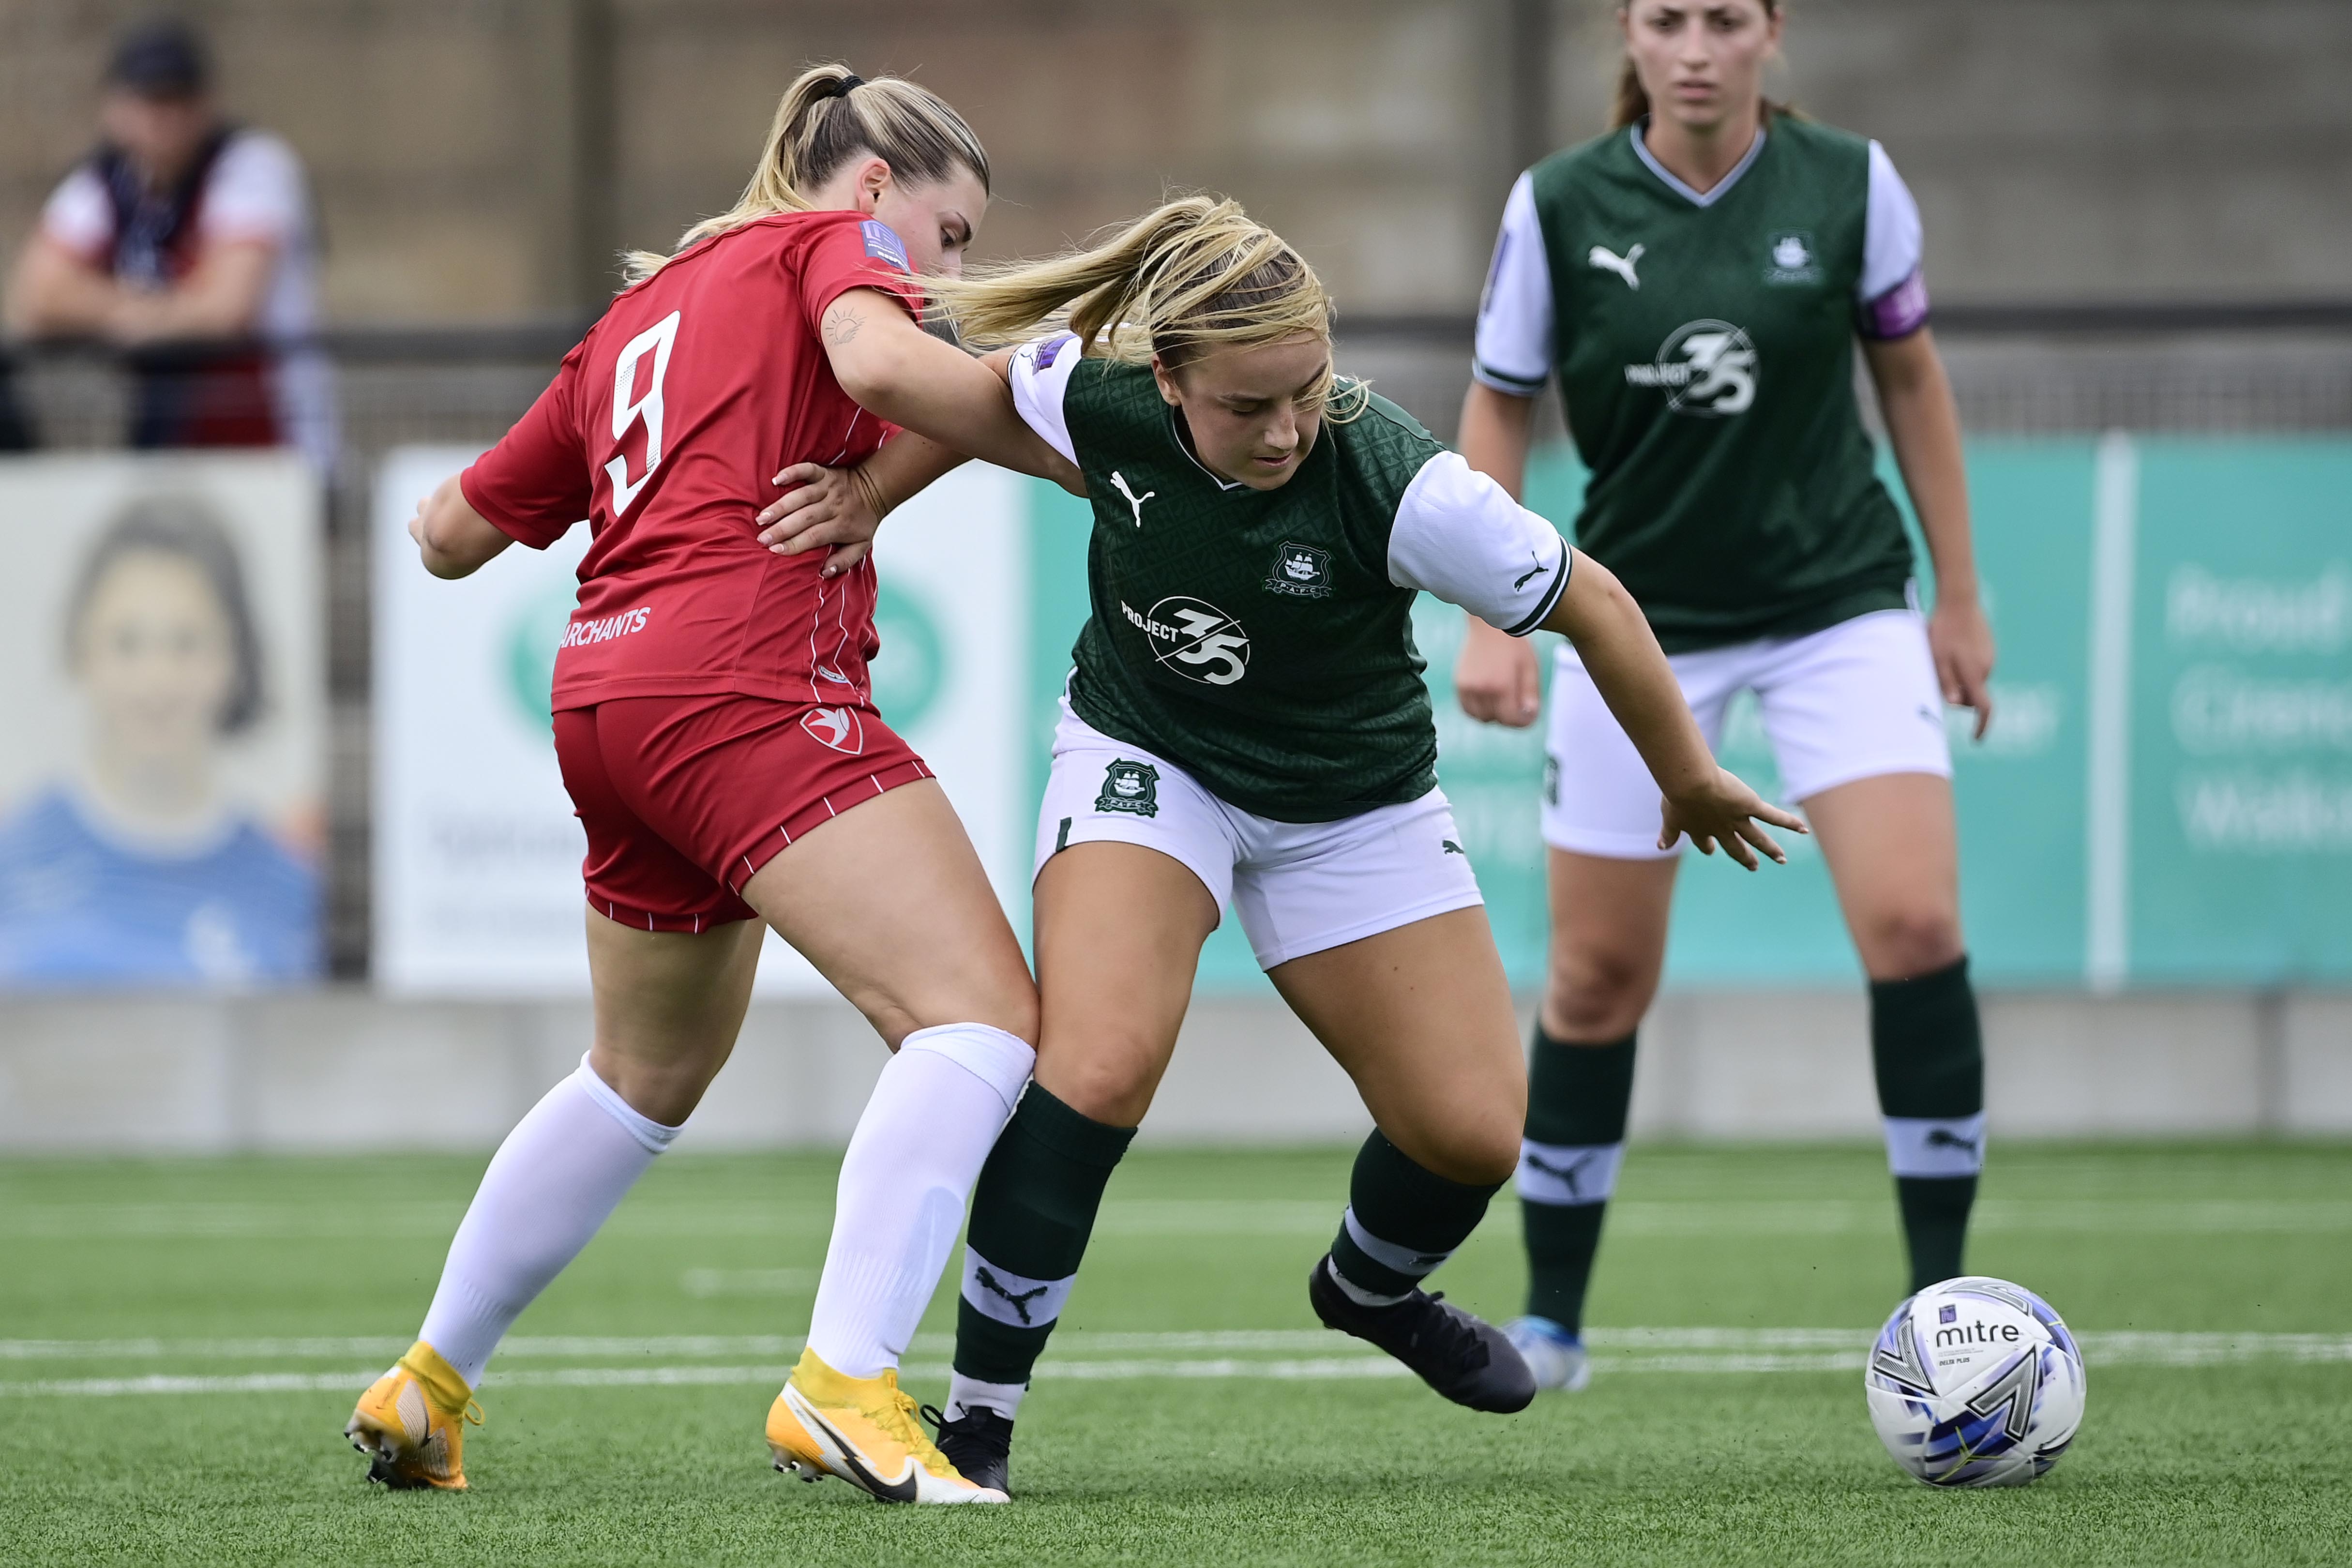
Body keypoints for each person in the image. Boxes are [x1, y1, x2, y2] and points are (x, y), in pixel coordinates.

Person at [754, 194, 1806, 1495]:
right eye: (1246, 405)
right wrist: (864, 491)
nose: (1286, 428)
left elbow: (1592, 603)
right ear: (1169, 376)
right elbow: (971, 406)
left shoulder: (1398, 480)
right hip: (1151, 759)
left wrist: (1689, 776)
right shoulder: (1100, 400)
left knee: (1475, 1135)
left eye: (1305, 390)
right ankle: (977, 1421)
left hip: (1351, 807)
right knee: (1097, 1062)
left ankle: (1369, 1290)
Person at [341, 64, 1078, 1506]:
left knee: (641, 1076)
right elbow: (878, 368)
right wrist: (1081, 448)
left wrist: (867, 487)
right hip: (741, 686)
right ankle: (848, 1386)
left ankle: (427, 1382)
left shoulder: (639, 313)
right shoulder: (836, 246)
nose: (951, 273)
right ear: (873, 190)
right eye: (954, 234)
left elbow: (441, 534)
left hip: (605, 699)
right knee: (980, 1020)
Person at [1451, 0, 1996, 1393]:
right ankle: (1555, 1323)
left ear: (1772, 34)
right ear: (1628, 40)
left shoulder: (1852, 183)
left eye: (1724, 20)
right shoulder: (1556, 203)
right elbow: (1499, 402)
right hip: (1632, 623)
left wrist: (1957, 594)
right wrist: (1493, 614)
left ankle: (1943, 1309)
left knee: (1917, 920)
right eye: (1665, 19)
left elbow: (1913, 380)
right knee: (1594, 976)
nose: (1694, 47)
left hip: (1837, 605)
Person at [0, 495, 320, 986]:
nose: (156, 680)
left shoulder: (291, 891)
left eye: (186, 643)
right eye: (127, 642)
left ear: (235, 659)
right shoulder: (12, 857)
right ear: (80, 649)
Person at [1, 18, 332, 469]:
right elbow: (37, 299)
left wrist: (111, 311)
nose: (164, 118)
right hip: (171, 456)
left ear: (207, 104)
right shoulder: (108, 182)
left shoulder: (253, 165)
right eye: (149, 100)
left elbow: (226, 307)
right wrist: (151, 313)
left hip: (275, 452)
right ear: (114, 108)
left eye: (179, 99)